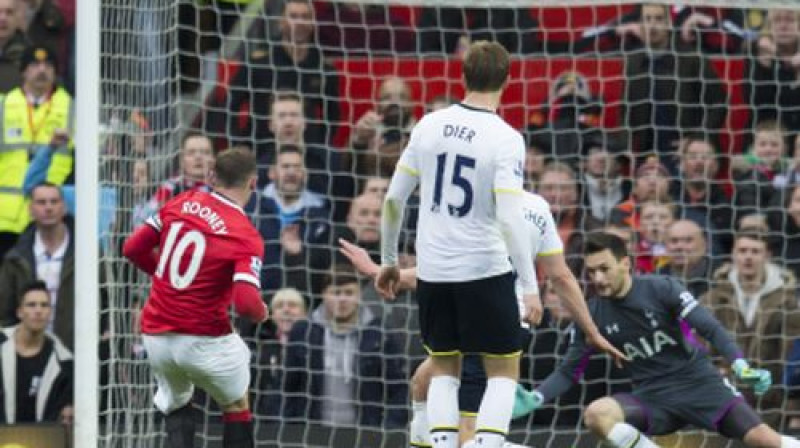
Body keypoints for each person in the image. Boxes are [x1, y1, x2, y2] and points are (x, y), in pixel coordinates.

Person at [376, 41, 621, 448]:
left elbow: (392, 200)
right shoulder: (506, 138)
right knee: (503, 372)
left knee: (443, 369)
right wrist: (528, 287)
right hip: (484, 271)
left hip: (435, 272)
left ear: (462, 75)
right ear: (508, 80)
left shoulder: (428, 125)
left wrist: (387, 261)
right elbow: (509, 217)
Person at [342, 190, 625, 447]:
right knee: (422, 383)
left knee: (468, 433)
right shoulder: (537, 207)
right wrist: (592, 331)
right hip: (509, 324)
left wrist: (378, 271)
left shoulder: (468, 208)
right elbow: (561, 276)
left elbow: (444, 272)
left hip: (484, 323)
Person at [515, 232, 800, 448]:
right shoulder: (591, 315)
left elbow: (710, 328)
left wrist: (739, 363)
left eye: (604, 268)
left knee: (767, 441)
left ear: (625, 263)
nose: (597, 278)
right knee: (597, 415)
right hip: (653, 397)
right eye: (591, 272)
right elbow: (569, 371)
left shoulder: (661, 288)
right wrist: (537, 396)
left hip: (701, 385)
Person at [122, 148, 268, 448]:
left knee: (176, 402)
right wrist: (262, 312)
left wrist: (163, 275)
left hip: (156, 336)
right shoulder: (245, 235)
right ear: (253, 183)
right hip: (203, 337)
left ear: (212, 176)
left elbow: (132, 249)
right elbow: (246, 303)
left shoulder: (180, 202)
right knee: (236, 403)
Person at [282, 263, 408, 427]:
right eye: (336, 293)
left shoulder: (380, 334)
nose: (342, 299)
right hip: (312, 433)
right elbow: (288, 387)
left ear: (359, 295)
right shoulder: (304, 332)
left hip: (365, 436)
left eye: (349, 293)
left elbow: (398, 390)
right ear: (323, 295)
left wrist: (386, 431)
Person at [0, 45, 73, 261]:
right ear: (23, 71)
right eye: (34, 65)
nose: (42, 70)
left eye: (48, 65)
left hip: (49, 214)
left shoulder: (71, 108)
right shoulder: (4, 105)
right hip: (5, 216)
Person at [0, 183, 74, 350]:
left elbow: (106, 299)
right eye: (41, 202)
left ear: (64, 207)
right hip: (29, 352)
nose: (48, 207)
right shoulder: (15, 258)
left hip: (78, 350)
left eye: (54, 201)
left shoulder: (87, 253)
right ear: (30, 209)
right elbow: (5, 312)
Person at [0, 280, 73, 424]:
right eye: (31, 305)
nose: (38, 311)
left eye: (44, 305)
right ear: (19, 312)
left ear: (50, 312)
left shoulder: (64, 361)